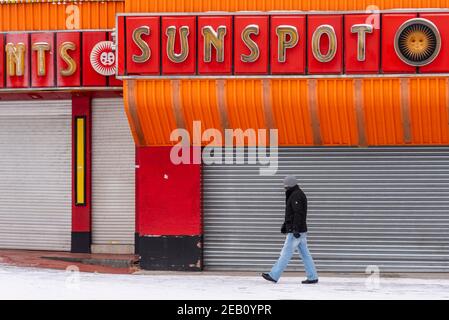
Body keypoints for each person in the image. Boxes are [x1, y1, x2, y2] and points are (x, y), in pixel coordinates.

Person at [262, 175, 319, 284]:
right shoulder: (295, 194)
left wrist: (295, 229)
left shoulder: (296, 195)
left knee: (285, 253)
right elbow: (291, 214)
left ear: (290, 185)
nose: (285, 188)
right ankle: (312, 277)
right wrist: (285, 225)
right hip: (298, 230)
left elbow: (298, 214)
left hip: (296, 231)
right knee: (305, 254)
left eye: (286, 186)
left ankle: (274, 275)